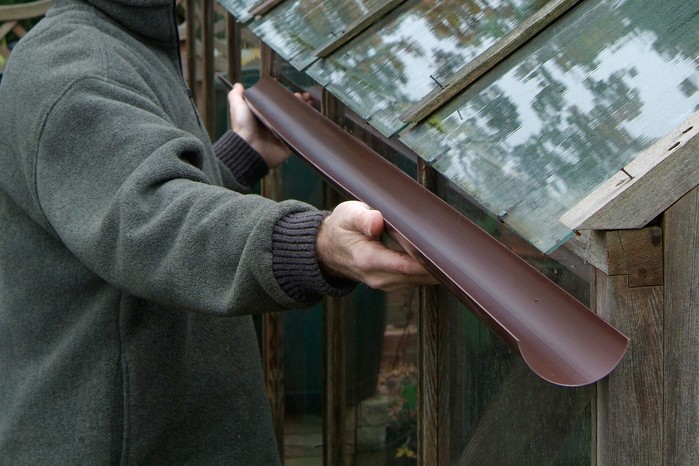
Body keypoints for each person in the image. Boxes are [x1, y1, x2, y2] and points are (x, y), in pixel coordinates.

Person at [0, 0, 435, 463]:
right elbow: (152, 219)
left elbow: (114, 193)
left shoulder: (126, 43)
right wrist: (315, 244)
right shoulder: (71, 69)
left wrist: (240, 156)